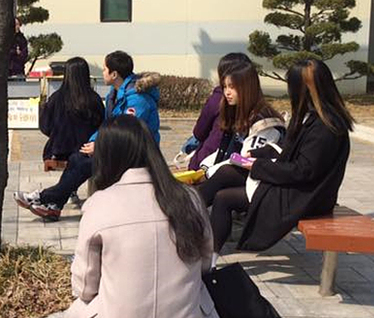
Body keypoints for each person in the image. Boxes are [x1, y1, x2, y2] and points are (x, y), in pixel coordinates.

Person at [54, 115, 226, 318]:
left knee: (77, 313)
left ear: (108, 156)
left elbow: (84, 287)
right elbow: (204, 265)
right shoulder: (188, 197)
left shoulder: (101, 203)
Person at [228, 59, 354, 256]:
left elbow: (303, 170)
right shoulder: (314, 118)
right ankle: (206, 255)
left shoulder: (325, 127)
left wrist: (258, 166)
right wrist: (259, 157)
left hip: (305, 197)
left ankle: (206, 257)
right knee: (228, 173)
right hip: (300, 190)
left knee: (224, 197)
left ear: (301, 90)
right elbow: (290, 152)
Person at [16, 50, 160, 221]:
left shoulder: (137, 100)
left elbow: (125, 132)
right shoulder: (115, 95)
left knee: (86, 163)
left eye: (105, 69)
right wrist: (93, 143)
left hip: (138, 153)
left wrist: (100, 145)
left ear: (114, 74)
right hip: (120, 149)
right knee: (79, 157)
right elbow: (107, 126)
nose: (103, 73)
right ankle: (54, 206)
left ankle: (45, 197)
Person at [196, 63, 285, 243]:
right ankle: (209, 255)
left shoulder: (264, 120)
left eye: (232, 87)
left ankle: (186, 212)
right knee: (220, 189)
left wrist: (212, 171)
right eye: (225, 87)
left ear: (247, 88)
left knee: (224, 173)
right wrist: (207, 166)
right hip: (252, 175)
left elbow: (247, 160)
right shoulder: (241, 112)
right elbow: (230, 152)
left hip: (269, 180)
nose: (227, 92)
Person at [187, 52, 253, 170]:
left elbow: (199, 132)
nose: (227, 93)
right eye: (226, 87)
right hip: (220, 162)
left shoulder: (218, 100)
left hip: (215, 163)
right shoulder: (253, 105)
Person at [38, 56, 104, 162]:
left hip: (58, 152)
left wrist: (57, 135)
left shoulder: (56, 98)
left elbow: (45, 126)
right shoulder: (94, 99)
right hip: (87, 152)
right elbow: (101, 125)